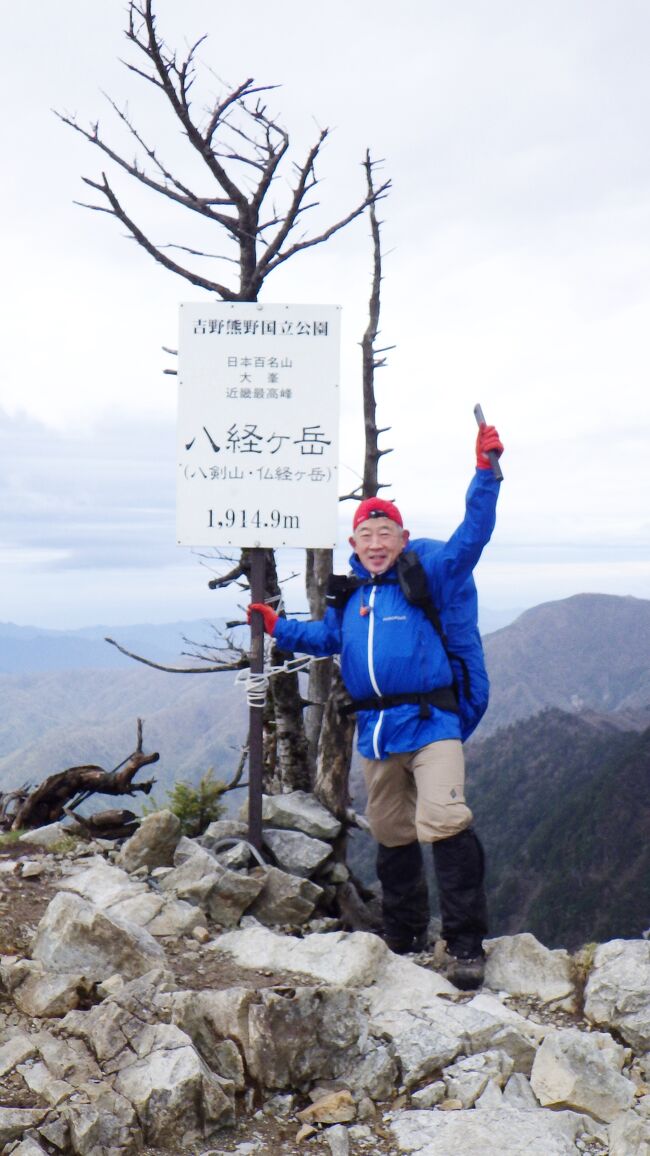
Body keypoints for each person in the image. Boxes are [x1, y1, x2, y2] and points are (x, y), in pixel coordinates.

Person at [248, 422, 504, 990]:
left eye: (385, 532)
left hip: (433, 723)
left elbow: (473, 537)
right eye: (367, 534)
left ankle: (464, 944)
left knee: (444, 822)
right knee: (391, 832)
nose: (376, 542)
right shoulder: (353, 596)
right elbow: (326, 640)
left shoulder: (427, 574)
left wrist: (485, 474)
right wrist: (277, 627)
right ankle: (405, 933)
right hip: (377, 734)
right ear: (355, 546)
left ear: (403, 537)